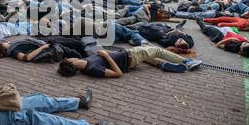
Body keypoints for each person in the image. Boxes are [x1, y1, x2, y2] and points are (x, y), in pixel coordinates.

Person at [58, 48, 202, 78]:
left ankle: (161, 65)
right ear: (72, 63)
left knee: (147, 54)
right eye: (70, 59)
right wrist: (107, 56)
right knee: (157, 50)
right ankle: (187, 61)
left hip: (126, 54)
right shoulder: (92, 69)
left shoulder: (85, 63)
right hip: (130, 58)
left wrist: (106, 53)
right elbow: (118, 74)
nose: (71, 57)